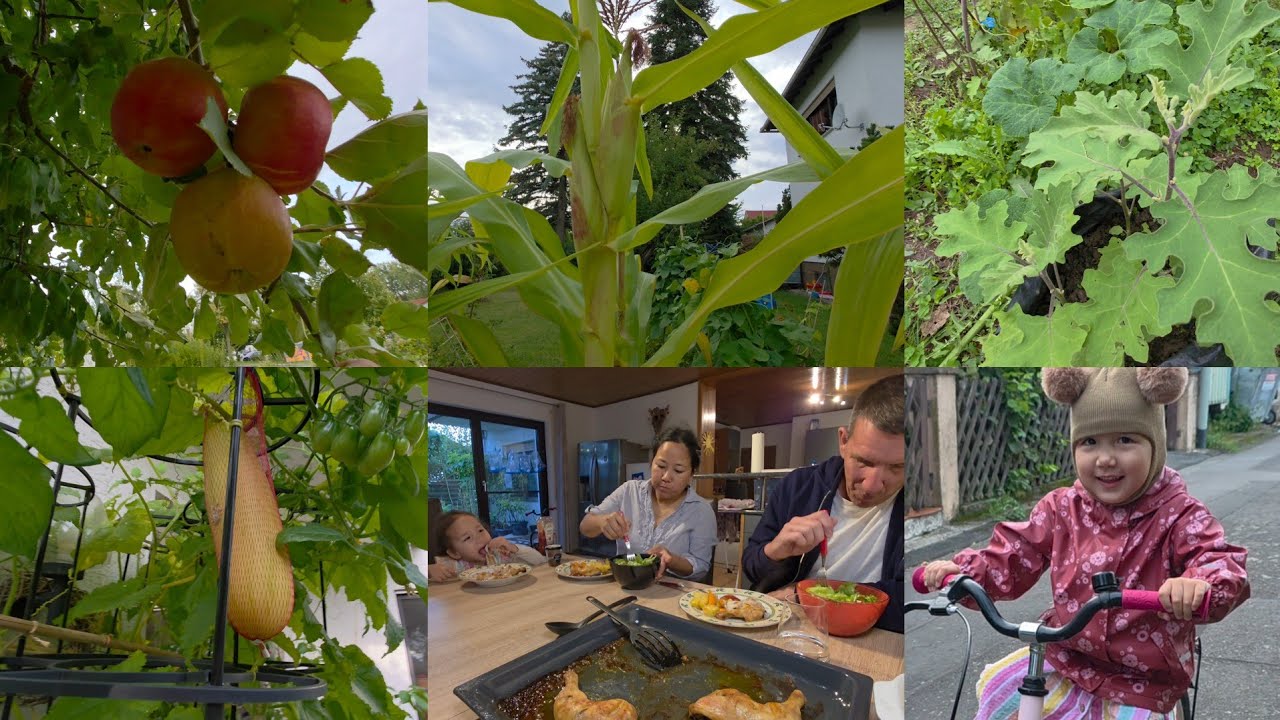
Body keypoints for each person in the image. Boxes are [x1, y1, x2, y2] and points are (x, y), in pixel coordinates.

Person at [921, 367, 1250, 718]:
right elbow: (1012, 555)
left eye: (1125, 440)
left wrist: (1198, 584)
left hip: (1143, 679)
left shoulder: (1180, 515)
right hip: (1067, 656)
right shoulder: (1061, 509)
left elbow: (1216, 559)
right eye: (1089, 442)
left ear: (1155, 445)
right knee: (997, 688)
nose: (1105, 458)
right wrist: (964, 573)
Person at [743, 374, 905, 633]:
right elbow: (752, 567)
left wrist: (805, 595)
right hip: (788, 628)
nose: (872, 485)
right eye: (864, 461)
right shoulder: (797, 486)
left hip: (876, 638)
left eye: (897, 467)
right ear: (843, 441)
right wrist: (776, 550)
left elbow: (913, 599)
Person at [580, 426, 716, 581]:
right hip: (626, 585)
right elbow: (585, 526)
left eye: (678, 470)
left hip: (672, 591)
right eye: (661, 466)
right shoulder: (629, 491)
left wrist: (672, 560)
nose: (666, 477)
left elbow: (701, 568)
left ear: (692, 474)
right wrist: (602, 522)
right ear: (651, 463)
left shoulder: (701, 511)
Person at [428, 510, 546, 582]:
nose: (479, 538)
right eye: (467, 538)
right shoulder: (452, 566)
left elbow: (540, 560)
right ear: (454, 553)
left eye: (480, 530)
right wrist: (429, 570)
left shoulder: (500, 554)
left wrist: (514, 548)